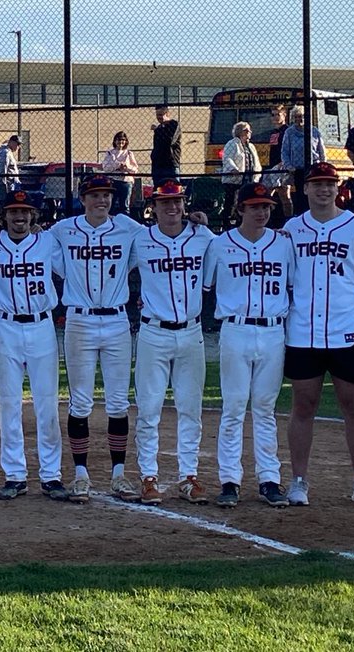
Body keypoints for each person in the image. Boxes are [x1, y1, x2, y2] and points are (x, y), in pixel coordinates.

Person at [283, 162, 354, 509]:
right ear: (305, 189)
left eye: (329, 184)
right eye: (316, 184)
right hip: (303, 333)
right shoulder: (291, 229)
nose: (323, 190)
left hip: (348, 332)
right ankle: (299, 481)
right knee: (303, 405)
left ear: (337, 188)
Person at [47, 175, 142, 504]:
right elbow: (42, 249)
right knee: (81, 402)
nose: (102, 200)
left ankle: (118, 475)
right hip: (80, 319)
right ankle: (81, 475)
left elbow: (156, 242)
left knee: (118, 402)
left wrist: (196, 222)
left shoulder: (128, 227)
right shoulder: (64, 229)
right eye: (95, 195)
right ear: (82, 197)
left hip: (116, 319)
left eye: (106, 195)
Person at [0, 190, 67, 501]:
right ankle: (15, 475)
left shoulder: (48, 242)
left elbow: (71, 265)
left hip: (42, 325)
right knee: (9, 404)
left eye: (25, 212)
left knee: (46, 404)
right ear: (4, 215)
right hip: (6, 327)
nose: (19, 217)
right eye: (13, 211)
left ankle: (51, 475)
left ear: (34, 216)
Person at [203, 182, 294, 508]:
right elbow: (205, 284)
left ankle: (269, 479)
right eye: (254, 206)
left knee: (265, 408)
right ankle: (230, 480)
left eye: (266, 206)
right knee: (234, 406)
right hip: (236, 329)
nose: (262, 212)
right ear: (240, 209)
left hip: (272, 331)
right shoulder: (220, 245)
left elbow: (292, 284)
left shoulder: (284, 244)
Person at [130, 179, 215, 505]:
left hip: (191, 332)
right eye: (166, 203)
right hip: (153, 332)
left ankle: (188, 475)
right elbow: (117, 269)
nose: (173, 208)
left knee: (190, 408)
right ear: (154, 207)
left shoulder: (203, 236)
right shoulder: (141, 239)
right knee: (149, 409)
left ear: (185, 205)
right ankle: (148, 476)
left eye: (177, 202)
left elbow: (223, 257)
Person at [280, 105, 326, 215]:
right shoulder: (289, 133)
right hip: (298, 170)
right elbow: (285, 151)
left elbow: (321, 151)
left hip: (314, 169)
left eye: (301, 117)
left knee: (314, 193)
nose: (299, 119)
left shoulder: (314, 131)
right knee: (300, 195)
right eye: (296, 117)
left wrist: (323, 166)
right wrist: (289, 166)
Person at [220, 122, 261, 227]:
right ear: (239, 132)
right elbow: (227, 158)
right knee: (231, 202)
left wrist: (257, 174)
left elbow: (256, 161)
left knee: (245, 202)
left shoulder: (251, 146)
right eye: (246, 130)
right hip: (234, 179)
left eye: (250, 130)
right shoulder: (232, 144)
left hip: (248, 179)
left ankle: (241, 222)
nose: (249, 132)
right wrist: (233, 169)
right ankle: (226, 223)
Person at [265, 104, 294, 223]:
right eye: (273, 115)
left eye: (278, 114)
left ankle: (289, 220)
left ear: (284, 115)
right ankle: (268, 220)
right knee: (267, 194)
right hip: (272, 167)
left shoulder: (287, 131)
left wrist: (284, 163)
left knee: (284, 195)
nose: (275, 117)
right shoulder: (273, 132)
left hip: (282, 167)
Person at [102, 131, 138, 216]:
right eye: (118, 140)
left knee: (125, 206)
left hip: (126, 182)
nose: (120, 142)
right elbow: (106, 168)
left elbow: (135, 169)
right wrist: (117, 165)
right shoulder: (110, 153)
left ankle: (125, 223)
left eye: (123, 140)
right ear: (115, 141)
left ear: (126, 141)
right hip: (113, 181)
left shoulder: (129, 153)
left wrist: (126, 167)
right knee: (111, 205)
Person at [150, 105, 181, 186]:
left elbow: (169, 141)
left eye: (160, 115)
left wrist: (157, 130)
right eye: (157, 115)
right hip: (158, 164)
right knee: (158, 189)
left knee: (174, 188)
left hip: (170, 164)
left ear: (167, 113)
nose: (158, 117)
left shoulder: (174, 124)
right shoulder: (160, 127)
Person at [0, 135, 21, 203]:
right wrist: (3, 185)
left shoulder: (8, 152)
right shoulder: (5, 153)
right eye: (17, 144)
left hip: (11, 184)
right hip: (6, 185)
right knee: (5, 204)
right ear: (11, 142)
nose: (18, 147)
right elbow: (2, 169)